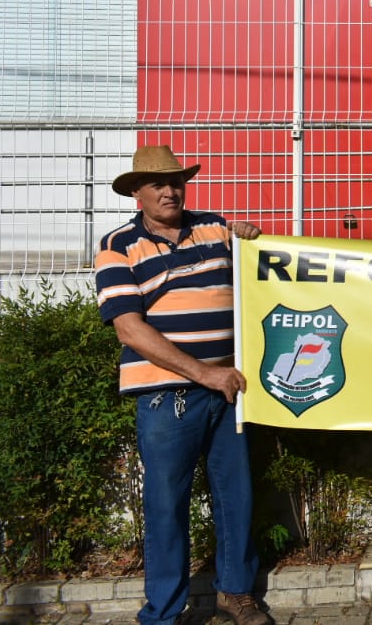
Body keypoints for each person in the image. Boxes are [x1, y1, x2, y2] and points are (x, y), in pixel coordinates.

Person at [94, 146, 271, 625]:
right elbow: (130, 330)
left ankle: (236, 592)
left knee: (236, 496)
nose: (170, 191)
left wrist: (253, 239)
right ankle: (165, 612)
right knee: (166, 505)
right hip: (166, 394)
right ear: (137, 193)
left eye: (176, 182)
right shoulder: (117, 246)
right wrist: (206, 373)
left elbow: (266, 277)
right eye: (157, 184)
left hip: (228, 387)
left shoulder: (215, 227)